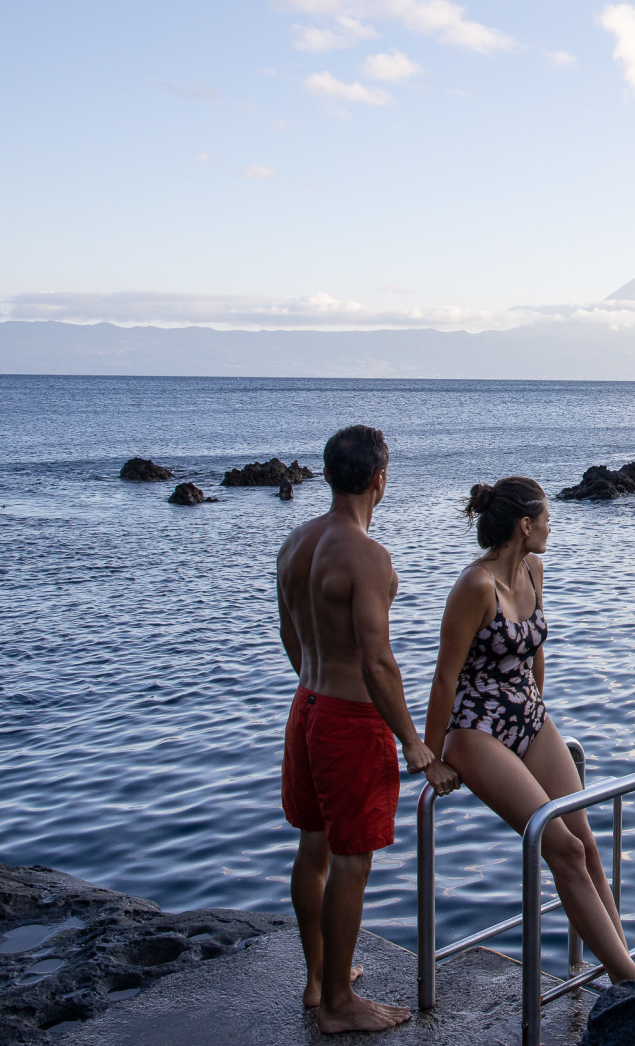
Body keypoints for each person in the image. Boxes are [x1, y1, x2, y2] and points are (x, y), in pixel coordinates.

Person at [421, 478, 635, 985]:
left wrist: (538, 710)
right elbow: (444, 677)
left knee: (585, 842)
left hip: (529, 716)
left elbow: (533, 649)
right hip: (476, 730)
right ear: (526, 525)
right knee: (560, 846)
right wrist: (432, 757)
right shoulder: (476, 586)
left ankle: (621, 973)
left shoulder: (534, 568)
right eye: (546, 518)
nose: (551, 526)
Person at [277, 425, 458, 1033]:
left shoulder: (295, 545)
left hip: (306, 706)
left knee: (314, 845)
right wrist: (413, 740)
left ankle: (318, 978)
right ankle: (337, 1006)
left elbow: (292, 639)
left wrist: (316, 687)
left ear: (329, 475)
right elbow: (379, 660)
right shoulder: (368, 557)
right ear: (381, 479)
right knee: (353, 860)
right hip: (350, 720)